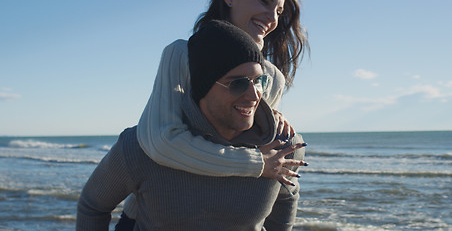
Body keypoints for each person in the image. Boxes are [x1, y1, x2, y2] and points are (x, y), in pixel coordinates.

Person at [76, 20, 306, 230]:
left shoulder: (283, 146)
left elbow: (287, 199)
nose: (254, 95)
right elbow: (93, 206)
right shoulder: (139, 147)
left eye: (259, 81)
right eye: (238, 84)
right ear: (202, 87)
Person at [136, 0, 309, 182]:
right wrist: (256, 164)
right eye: (263, 1)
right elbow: (162, 142)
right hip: (153, 204)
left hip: (220, 204)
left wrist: (267, 118)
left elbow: (250, 146)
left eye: (278, 11)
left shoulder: (273, 78)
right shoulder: (182, 54)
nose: (272, 18)